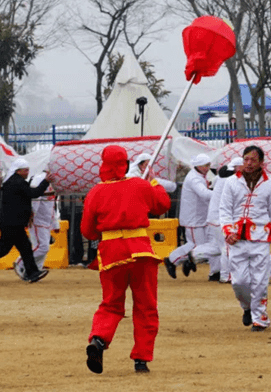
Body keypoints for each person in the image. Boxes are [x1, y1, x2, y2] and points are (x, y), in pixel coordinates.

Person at [81, 145, 171, 374]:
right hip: (140, 251)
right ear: (126, 163)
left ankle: (99, 340)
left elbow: (88, 231)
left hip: (111, 254)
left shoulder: (95, 192)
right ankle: (141, 359)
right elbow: (162, 204)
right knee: (146, 306)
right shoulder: (140, 185)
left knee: (111, 304)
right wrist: (152, 181)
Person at [220, 145, 271, 331]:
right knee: (239, 282)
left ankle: (260, 319)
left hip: (261, 238)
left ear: (261, 163)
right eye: (246, 159)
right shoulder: (231, 182)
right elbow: (224, 210)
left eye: (253, 160)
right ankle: (247, 307)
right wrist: (228, 231)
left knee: (260, 281)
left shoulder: (269, 183)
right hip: (237, 238)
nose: (248, 163)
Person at [0, 158, 51, 283]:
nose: (27, 173)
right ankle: (32, 272)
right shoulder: (18, 183)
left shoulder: (12, 182)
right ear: (18, 171)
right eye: (25, 170)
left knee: (7, 248)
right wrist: (46, 182)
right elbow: (34, 193)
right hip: (13, 223)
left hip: (11, 222)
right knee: (22, 248)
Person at [192, 156, 243, 283]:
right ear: (237, 168)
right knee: (228, 247)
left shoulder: (223, 177)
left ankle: (193, 255)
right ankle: (226, 276)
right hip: (219, 218)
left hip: (216, 217)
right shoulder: (230, 180)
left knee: (218, 247)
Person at [164, 154, 213, 279]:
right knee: (196, 246)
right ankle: (172, 259)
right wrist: (219, 194)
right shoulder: (194, 179)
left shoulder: (197, 176)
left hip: (198, 217)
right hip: (193, 218)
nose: (208, 168)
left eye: (208, 165)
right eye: (205, 166)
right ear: (198, 166)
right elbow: (204, 194)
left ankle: (186, 261)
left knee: (199, 245)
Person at [13, 174, 57, 280]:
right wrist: (30, 216)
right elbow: (34, 200)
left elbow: (52, 205)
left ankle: (34, 271)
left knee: (43, 248)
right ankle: (20, 263)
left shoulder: (56, 181)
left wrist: (55, 223)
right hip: (37, 220)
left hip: (46, 221)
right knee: (42, 247)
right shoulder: (38, 179)